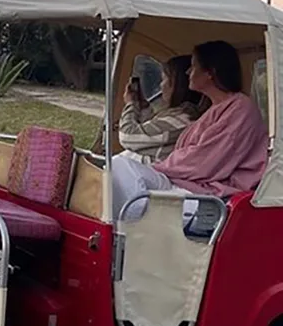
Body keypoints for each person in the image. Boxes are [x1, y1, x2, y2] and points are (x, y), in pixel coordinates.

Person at [112, 40, 269, 219]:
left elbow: (205, 162)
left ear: (210, 73)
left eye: (193, 66)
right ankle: (135, 218)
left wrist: (160, 166)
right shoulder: (213, 108)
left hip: (206, 196)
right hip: (182, 182)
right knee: (118, 164)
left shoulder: (241, 109)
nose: (188, 72)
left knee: (125, 172)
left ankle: (135, 223)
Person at [116, 55, 209, 164]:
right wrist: (143, 107)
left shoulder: (181, 121)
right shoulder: (179, 117)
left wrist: (130, 105)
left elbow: (128, 136)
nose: (161, 85)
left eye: (164, 79)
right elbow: (149, 133)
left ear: (178, 85)